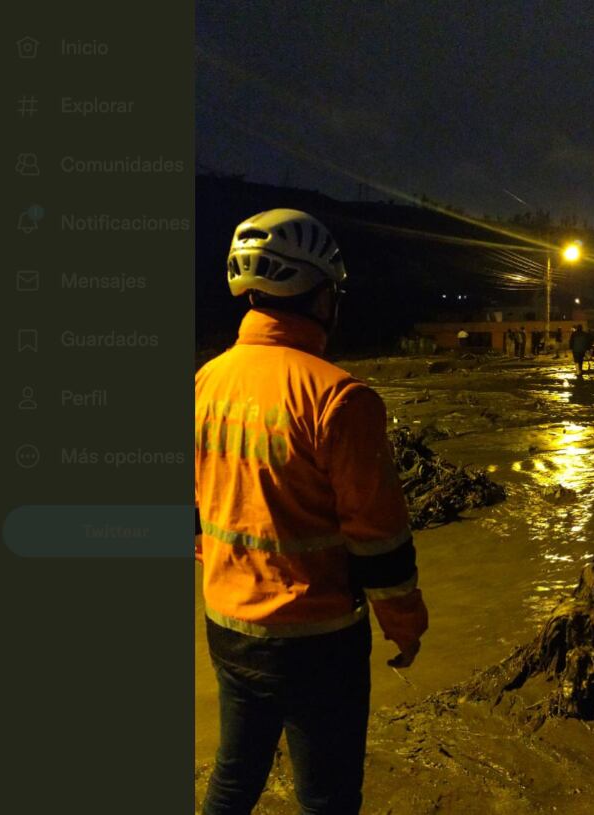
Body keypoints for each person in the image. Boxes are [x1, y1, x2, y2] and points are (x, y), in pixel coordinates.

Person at [196, 209, 428, 814]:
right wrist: (404, 625)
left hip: (228, 626)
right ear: (319, 294)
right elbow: (377, 537)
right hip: (318, 639)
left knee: (234, 773)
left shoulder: (206, 382)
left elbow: (198, 509)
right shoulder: (339, 397)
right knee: (326, 795)